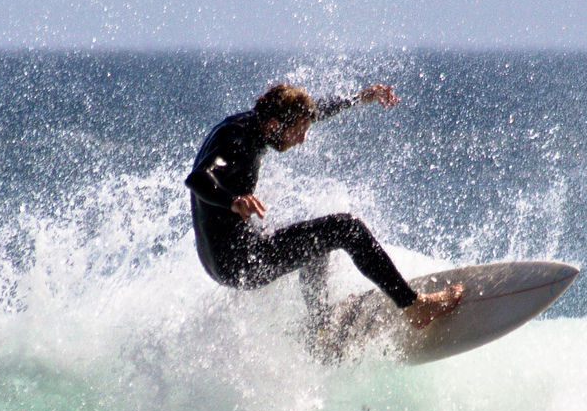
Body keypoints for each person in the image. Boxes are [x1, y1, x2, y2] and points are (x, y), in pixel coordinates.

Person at [185, 81, 463, 330]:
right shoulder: (237, 143)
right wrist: (233, 201)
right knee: (347, 228)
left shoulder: (254, 122)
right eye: (298, 132)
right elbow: (197, 178)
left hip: (222, 260)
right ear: (274, 125)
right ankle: (414, 306)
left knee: (318, 236)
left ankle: (320, 325)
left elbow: (313, 111)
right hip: (241, 264)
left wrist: (359, 98)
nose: (302, 140)